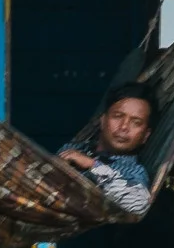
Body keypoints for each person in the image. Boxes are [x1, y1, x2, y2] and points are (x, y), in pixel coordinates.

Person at [61, 83, 156, 215]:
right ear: (103, 120)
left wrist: (93, 165)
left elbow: (138, 205)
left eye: (136, 123)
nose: (124, 127)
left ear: (145, 135)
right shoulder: (74, 148)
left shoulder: (134, 172)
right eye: (117, 116)